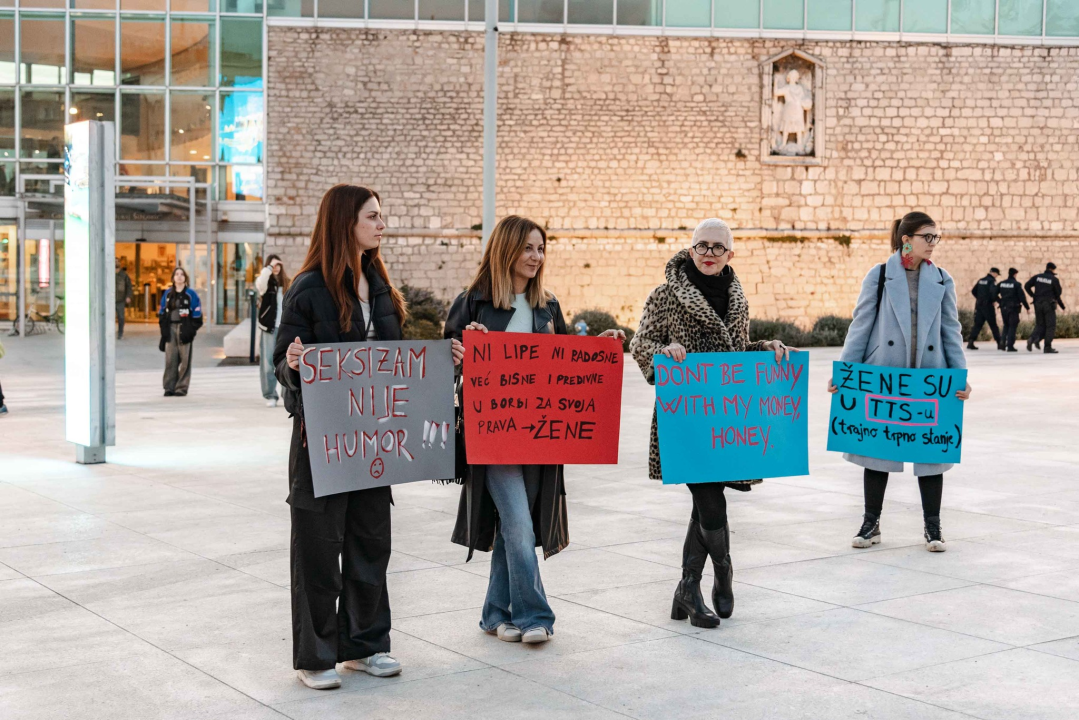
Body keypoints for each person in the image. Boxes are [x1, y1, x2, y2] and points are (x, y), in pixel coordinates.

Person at [445, 215, 624, 645]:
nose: (536, 256)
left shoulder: (549, 306)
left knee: (514, 525)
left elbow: (565, 363)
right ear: (506, 249)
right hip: (492, 437)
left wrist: (603, 344)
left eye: (541, 248)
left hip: (539, 437)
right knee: (521, 526)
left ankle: (494, 613)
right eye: (528, 247)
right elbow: (446, 360)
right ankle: (535, 615)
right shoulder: (473, 301)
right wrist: (462, 348)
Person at [629, 219, 793, 629]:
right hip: (686, 419)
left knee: (704, 503)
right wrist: (665, 352)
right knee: (708, 498)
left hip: (726, 419)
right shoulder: (666, 295)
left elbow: (737, 350)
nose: (709, 253)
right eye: (702, 245)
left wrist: (765, 348)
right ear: (690, 250)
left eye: (718, 247)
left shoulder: (737, 298)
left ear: (729, 255)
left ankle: (687, 588)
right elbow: (640, 344)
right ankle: (723, 570)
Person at [274, 185, 406, 690]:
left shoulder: (381, 286)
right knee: (317, 546)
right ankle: (317, 656)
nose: (381, 224)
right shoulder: (307, 288)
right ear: (344, 223)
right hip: (322, 442)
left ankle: (366, 645)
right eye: (373, 216)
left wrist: (443, 363)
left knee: (371, 541)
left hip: (376, 439)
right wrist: (291, 365)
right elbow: (285, 359)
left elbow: (398, 361)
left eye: (381, 216)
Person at [828, 211, 972, 553]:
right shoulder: (879, 276)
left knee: (931, 453)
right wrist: (845, 373)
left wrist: (960, 375)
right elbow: (860, 326)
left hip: (929, 377)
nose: (933, 244)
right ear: (907, 239)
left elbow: (951, 331)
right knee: (877, 451)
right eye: (928, 237)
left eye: (936, 237)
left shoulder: (943, 279)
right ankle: (870, 523)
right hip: (883, 376)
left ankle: (933, 526)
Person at [158, 267, 203, 397]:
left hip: (185, 330)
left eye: (182, 274)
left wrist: (191, 330)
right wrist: (164, 330)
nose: (179, 276)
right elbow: (161, 313)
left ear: (185, 278)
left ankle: (181, 388)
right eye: (176, 274)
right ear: (173, 278)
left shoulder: (191, 294)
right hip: (170, 329)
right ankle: (169, 387)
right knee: (170, 360)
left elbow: (197, 315)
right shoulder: (167, 294)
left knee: (185, 360)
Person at [256, 254, 290, 407]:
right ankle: (270, 395)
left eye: (277, 265)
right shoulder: (266, 284)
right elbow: (259, 283)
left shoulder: (288, 283)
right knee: (268, 362)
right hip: (269, 327)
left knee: (285, 361)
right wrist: (268, 269)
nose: (275, 268)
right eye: (272, 265)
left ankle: (287, 394)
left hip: (285, 328)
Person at [1025, 262, 1066, 354]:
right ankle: (1047, 347)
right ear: (1052, 269)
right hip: (1048, 304)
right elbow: (1058, 293)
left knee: (1040, 324)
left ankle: (1032, 339)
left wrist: (1033, 296)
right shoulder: (1054, 279)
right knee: (1050, 325)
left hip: (1037, 303)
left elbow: (1026, 286)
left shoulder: (1037, 277)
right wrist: (1062, 305)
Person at [967, 267, 1002, 350]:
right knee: (993, 325)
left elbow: (973, 291)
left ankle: (971, 342)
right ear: (994, 273)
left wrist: (979, 298)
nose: (997, 276)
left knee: (977, 325)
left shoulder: (981, 280)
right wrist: (997, 301)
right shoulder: (991, 281)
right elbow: (993, 293)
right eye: (997, 274)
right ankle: (999, 343)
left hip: (979, 306)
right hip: (988, 306)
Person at [995, 268, 1029, 352]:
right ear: (1015, 274)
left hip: (1004, 308)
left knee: (1006, 325)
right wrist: (1027, 307)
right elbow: (1022, 297)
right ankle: (1010, 346)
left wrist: (1001, 301)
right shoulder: (1016, 284)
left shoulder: (1001, 283)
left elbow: (993, 293)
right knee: (1012, 326)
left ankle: (1002, 344)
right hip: (1013, 308)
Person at [115, 260, 133, 340]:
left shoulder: (124, 275)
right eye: (114, 261)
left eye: (117, 261)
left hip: (120, 300)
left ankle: (120, 333)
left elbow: (129, 286)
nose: (116, 262)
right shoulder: (108, 273)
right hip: (110, 300)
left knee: (121, 317)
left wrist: (128, 296)